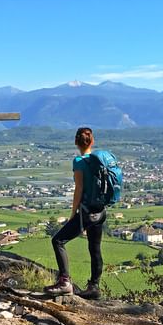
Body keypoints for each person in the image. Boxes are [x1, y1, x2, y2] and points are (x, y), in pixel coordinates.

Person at [44, 127, 106, 299]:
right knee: (95, 248)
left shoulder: (79, 161)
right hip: (100, 211)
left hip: (86, 212)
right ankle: (94, 287)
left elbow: (79, 189)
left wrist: (73, 213)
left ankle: (64, 282)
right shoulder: (100, 160)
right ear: (92, 141)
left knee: (58, 240)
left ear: (76, 143)